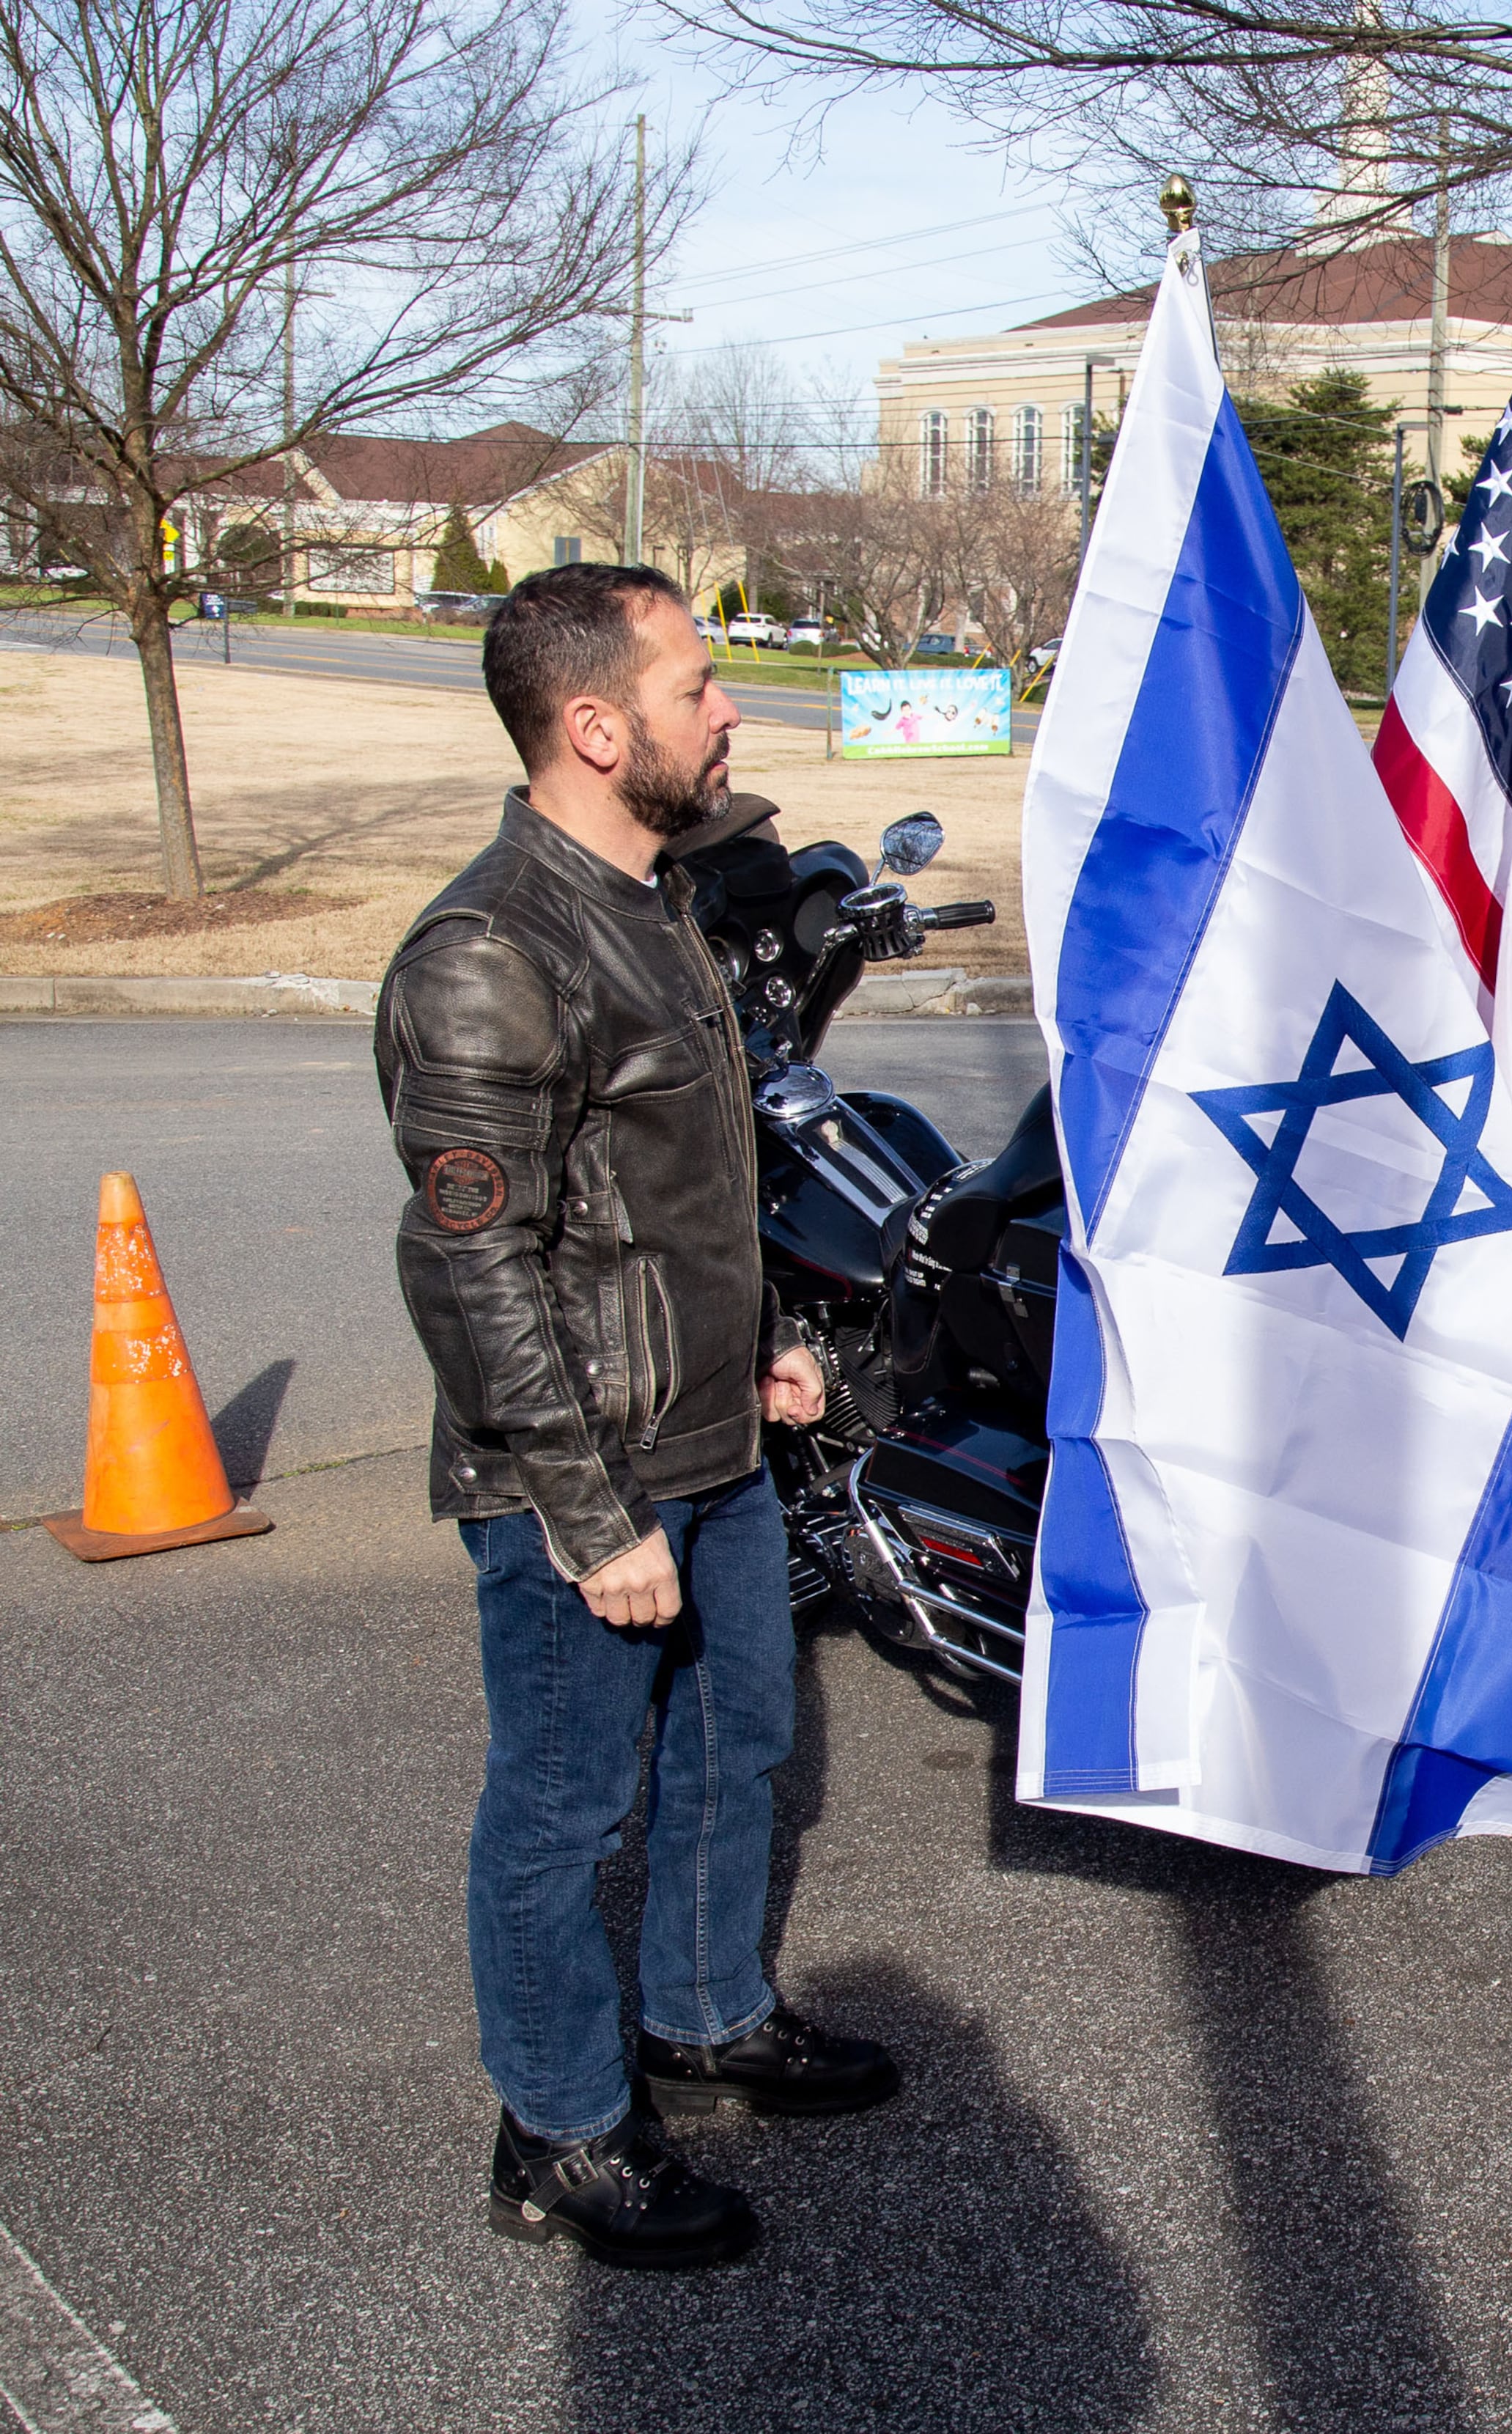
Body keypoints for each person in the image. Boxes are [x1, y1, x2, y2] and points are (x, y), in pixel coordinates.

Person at [375, 562, 898, 2271]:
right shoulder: (486, 949)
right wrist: (587, 1519)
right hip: (581, 1473)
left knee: (740, 1746)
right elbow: (480, 1269)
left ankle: (702, 2020)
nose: (727, 711)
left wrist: (763, 1348)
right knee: (562, 1805)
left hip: (713, 1440)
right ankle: (562, 2130)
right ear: (595, 727)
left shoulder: (661, 899)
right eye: (695, 688)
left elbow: (670, 1191)